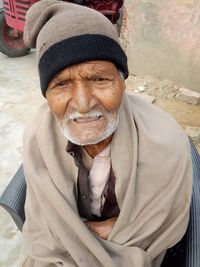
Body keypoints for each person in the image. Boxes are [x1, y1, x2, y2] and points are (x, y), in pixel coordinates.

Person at [22, 1, 193, 266]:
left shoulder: (165, 141)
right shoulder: (39, 136)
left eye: (99, 79)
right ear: (47, 94)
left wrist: (75, 232)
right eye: (62, 84)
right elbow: (43, 229)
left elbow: (158, 229)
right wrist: (101, 232)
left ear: (123, 82)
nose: (83, 103)